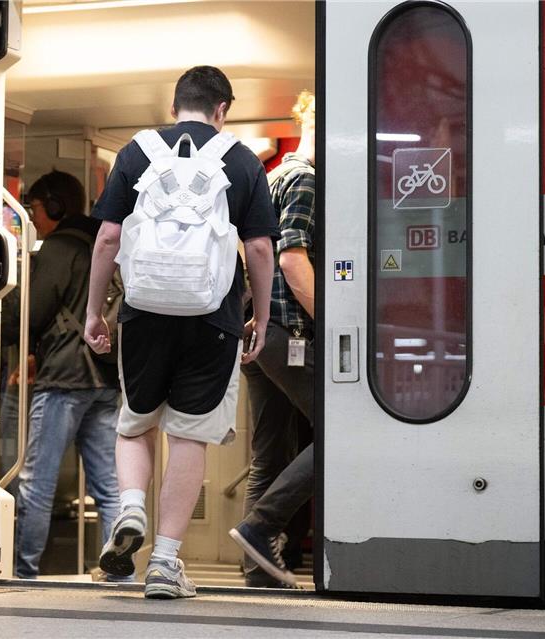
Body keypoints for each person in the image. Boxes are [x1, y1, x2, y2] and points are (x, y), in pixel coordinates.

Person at [84, 66, 277, 599]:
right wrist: (258, 316)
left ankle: (131, 508)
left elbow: (106, 238)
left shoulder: (136, 151)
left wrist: (94, 312)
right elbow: (260, 249)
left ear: (174, 108)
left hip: (143, 312)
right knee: (189, 434)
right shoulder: (241, 159)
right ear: (223, 110)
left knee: (134, 423)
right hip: (212, 317)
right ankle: (166, 563)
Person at [6, 170, 123, 579]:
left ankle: (23, 571)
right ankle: (119, 571)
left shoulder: (59, 246)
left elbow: (33, 314)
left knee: (38, 481)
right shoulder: (102, 242)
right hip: (106, 378)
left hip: (65, 380)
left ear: (55, 206)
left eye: (35, 208)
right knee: (110, 488)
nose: (34, 218)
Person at [229, 91, 317, 588]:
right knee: (341, 433)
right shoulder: (305, 178)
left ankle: (256, 569)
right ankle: (262, 528)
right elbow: (291, 259)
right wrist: (336, 318)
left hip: (257, 335)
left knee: (269, 453)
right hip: (291, 332)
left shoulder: (272, 176)